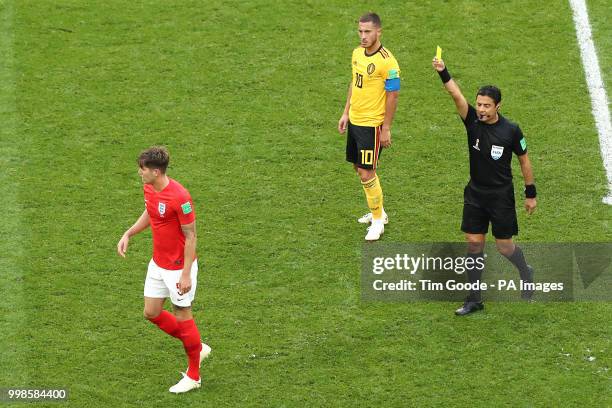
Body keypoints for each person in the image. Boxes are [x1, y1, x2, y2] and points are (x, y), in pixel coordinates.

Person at [431, 55, 537, 315]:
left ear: (497, 106)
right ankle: (474, 298)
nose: (481, 109)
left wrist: (530, 193)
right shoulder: (472, 122)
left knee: (504, 247)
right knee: (474, 242)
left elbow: (524, 161)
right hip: (475, 193)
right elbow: (456, 96)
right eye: (479, 104)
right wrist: (443, 72)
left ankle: (525, 271)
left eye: (486, 105)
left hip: (500, 196)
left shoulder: (511, 130)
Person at [116, 146, 211, 393]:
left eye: (143, 169)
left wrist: (186, 273)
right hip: (157, 263)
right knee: (151, 312)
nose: (139, 173)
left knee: (182, 314)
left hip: (179, 268)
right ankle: (197, 346)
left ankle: (194, 375)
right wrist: (130, 232)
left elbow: (191, 236)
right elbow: (150, 212)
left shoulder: (180, 197)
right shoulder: (149, 188)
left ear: (156, 171)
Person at [338, 12, 400, 241]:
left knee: (366, 172)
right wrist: (346, 112)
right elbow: (354, 83)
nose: (363, 36)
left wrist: (386, 128)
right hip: (355, 120)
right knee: (358, 167)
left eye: (367, 32)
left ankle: (377, 221)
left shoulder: (388, 62)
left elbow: (393, 96)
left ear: (378, 32)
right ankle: (379, 212)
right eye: (360, 31)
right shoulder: (357, 54)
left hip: (372, 125)